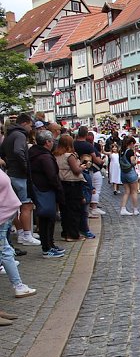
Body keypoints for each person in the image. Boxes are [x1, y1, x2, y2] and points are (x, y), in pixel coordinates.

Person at [0, 113, 39, 246]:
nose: (31, 128)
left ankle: (22, 232)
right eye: (30, 125)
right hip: (20, 175)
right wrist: (24, 166)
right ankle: (27, 235)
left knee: (15, 207)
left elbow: (2, 152)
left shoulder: (9, 134)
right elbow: (18, 151)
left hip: (11, 174)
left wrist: (8, 163)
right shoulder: (20, 135)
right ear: (24, 123)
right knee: (26, 205)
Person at [28, 131, 66, 258]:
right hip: (45, 190)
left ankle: (50, 245)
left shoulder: (35, 153)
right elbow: (52, 176)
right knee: (47, 219)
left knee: (48, 219)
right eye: (51, 141)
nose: (53, 143)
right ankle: (47, 248)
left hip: (40, 188)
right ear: (47, 142)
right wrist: (59, 190)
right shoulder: (44, 157)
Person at [0, 168, 36, 299]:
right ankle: (18, 286)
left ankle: (18, 285)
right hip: (2, 217)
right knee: (5, 251)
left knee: (5, 251)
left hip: (4, 216)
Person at [53, 134, 86, 240]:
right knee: (74, 210)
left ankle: (66, 232)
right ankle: (73, 234)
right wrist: (82, 167)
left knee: (64, 210)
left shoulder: (56, 155)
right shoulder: (69, 156)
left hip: (62, 183)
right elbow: (76, 171)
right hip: (72, 184)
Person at [118, 136, 140, 216]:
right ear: (131, 143)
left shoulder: (121, 151)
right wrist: (135, 158)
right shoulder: (130, 151)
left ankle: (123, 208)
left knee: (126, 192)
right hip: (130, 172)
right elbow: (133, 162)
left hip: (123, 173)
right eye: (133, 144)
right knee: (134, 192)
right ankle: (135, 209)